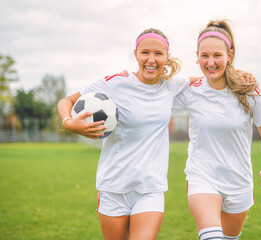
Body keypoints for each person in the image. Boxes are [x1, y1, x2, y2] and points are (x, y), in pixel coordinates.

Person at [57, 28, 191, 240]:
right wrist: (69, 123)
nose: (151, 59)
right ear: (135, 54)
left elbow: (209, 79)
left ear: (167, 57)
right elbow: (66, 102)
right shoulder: (115, 83)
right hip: (113, 186)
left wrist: (235, 75)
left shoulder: (172, 86)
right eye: (145, 52)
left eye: (158, 53)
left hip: (150, 188)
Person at [171, 20, 261, 240]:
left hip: (239, 181)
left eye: (217, 55)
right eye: (204, 56)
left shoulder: (249, 93)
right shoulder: (191, 92)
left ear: (229, 54)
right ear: (197, 55)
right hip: (202, 177)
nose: (210, 62)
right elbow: (154, 95)